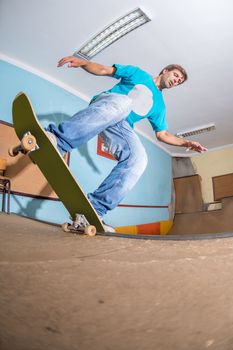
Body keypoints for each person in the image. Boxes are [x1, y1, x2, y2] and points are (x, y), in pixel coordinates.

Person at [46, 55, 207, 231]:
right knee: (125, 102)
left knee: (139, 159)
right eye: (176, 76)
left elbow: (163, 134)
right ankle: (58, 141)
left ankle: (95, 209)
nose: (177, 81)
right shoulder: (139, 74)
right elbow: (105, 70)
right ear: (165, 71)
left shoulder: (159, 105)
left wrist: (186, 143)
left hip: (121, 126)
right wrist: (85, 63)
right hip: (107, 104)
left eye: (180, 81)